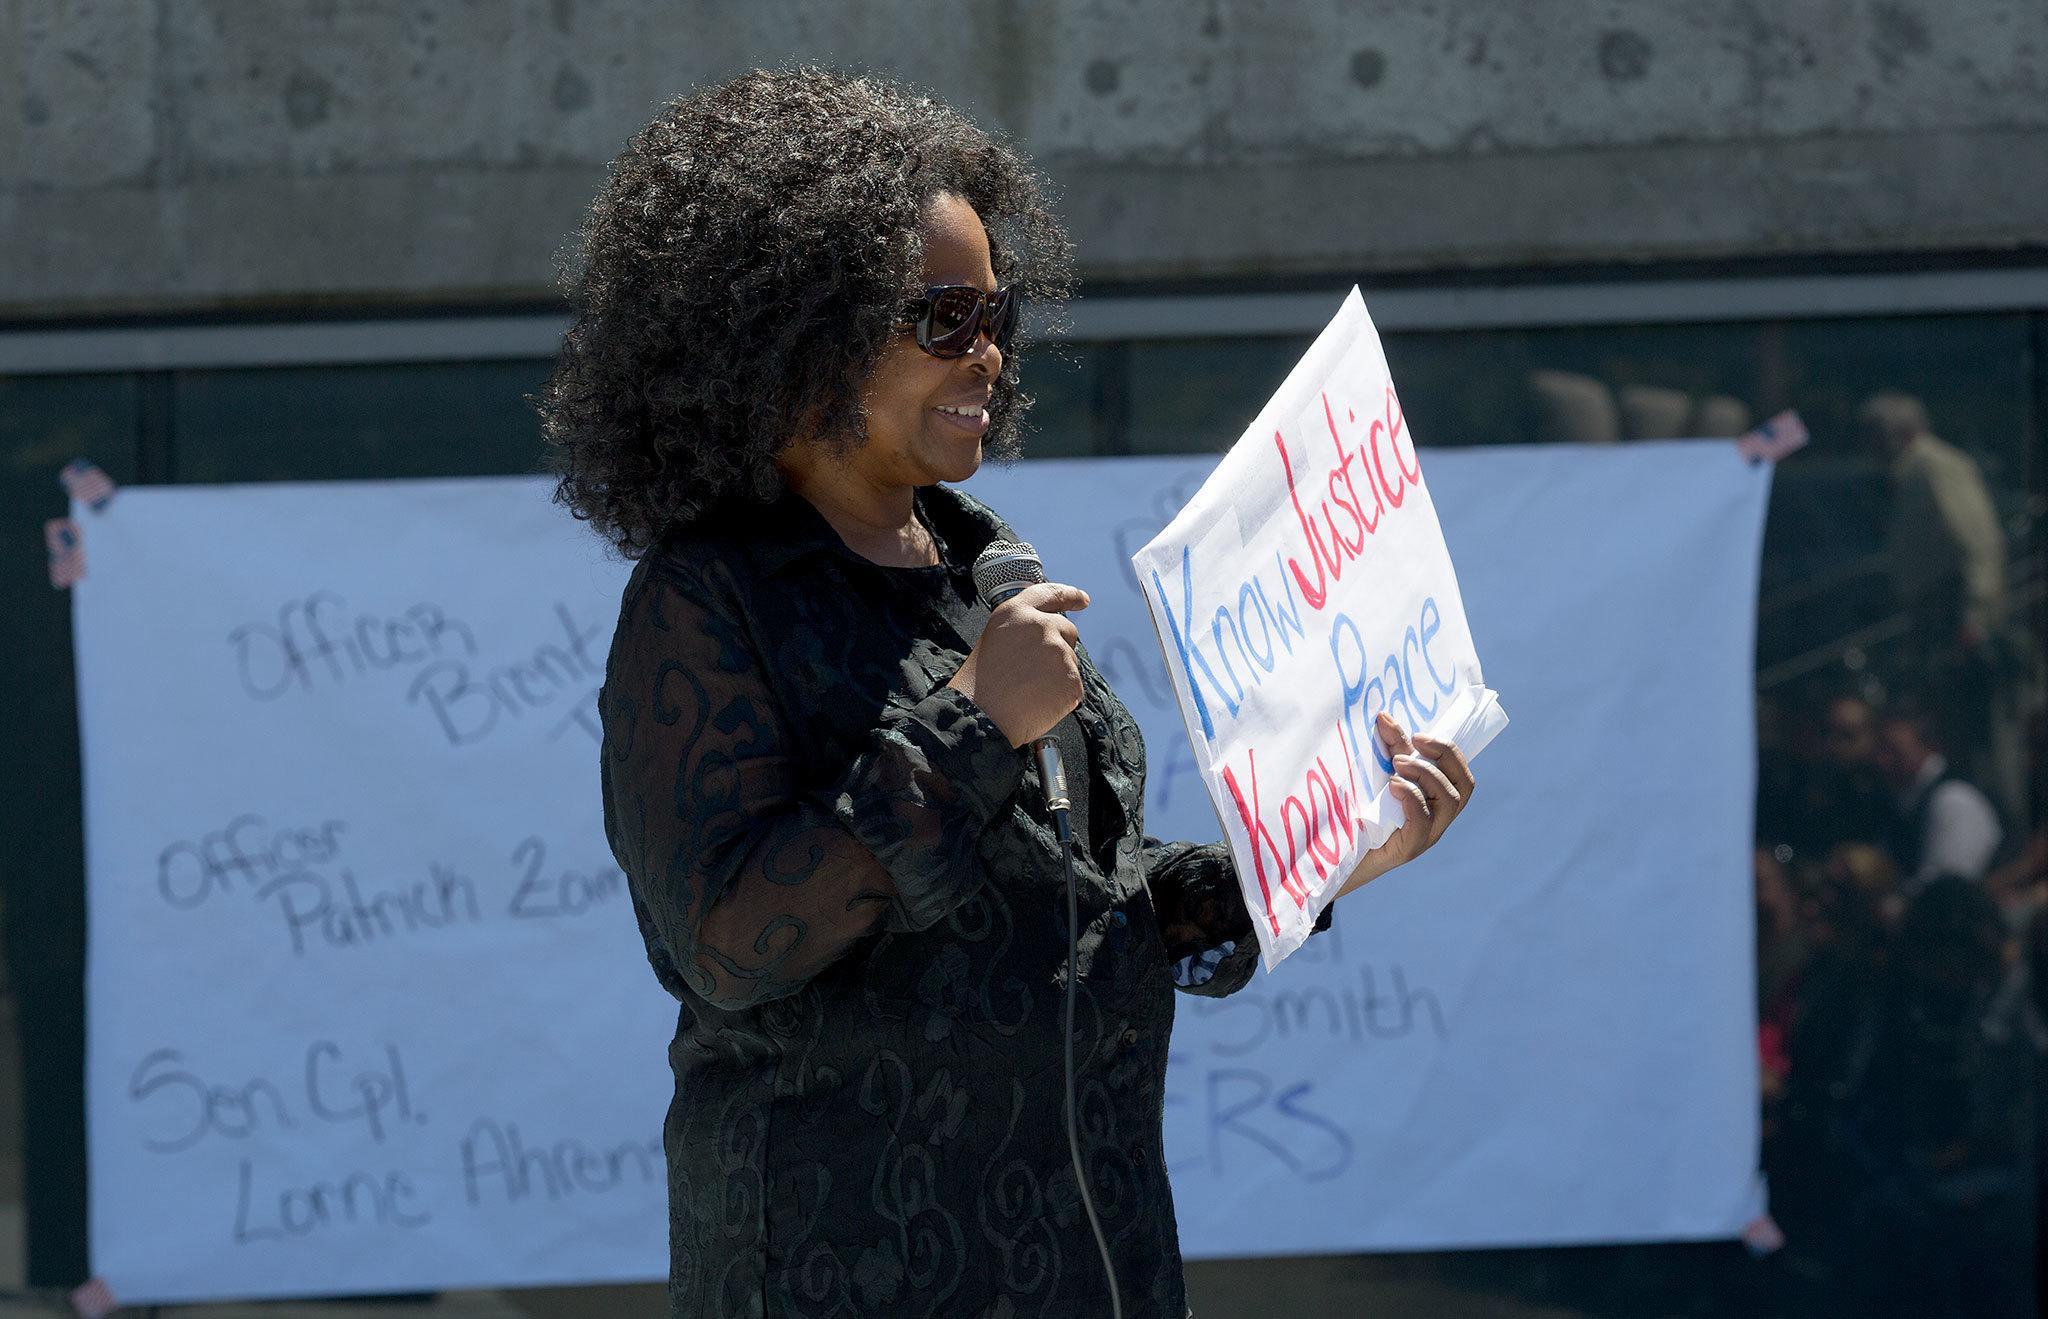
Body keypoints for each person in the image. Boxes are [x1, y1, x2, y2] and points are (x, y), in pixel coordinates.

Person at [537, 69, 1476, 1319]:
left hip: (1087, 1269)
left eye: (997, 313)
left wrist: (1316, 858)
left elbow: (1093, 909)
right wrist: (973, 725)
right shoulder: (709, 599)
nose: (985, 349)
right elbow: (725, 940)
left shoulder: (986, 565)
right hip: (845, 1276)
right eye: (941, 315)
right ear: (796, 336)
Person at [1872, 705, 2004, 896]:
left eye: (1894, 752)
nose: (1882, 762)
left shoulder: (1953, 799)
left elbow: (1947, 888)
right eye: (1880, 751)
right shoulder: (1901, 803)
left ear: (1927, 746)